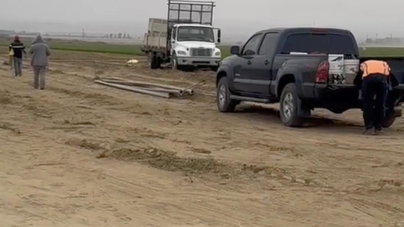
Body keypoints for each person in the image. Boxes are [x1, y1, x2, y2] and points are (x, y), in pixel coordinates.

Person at [360, 60, 391, 135]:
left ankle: (369, 127)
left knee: (368, 104)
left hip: (369, 80)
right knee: (381, 104)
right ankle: (378, 128)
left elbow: (360, 74)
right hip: (382, 81)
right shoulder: (384, 64)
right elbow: (389, 75)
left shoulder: (364, 64)